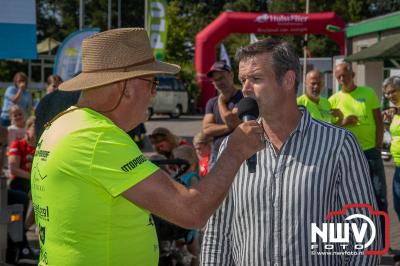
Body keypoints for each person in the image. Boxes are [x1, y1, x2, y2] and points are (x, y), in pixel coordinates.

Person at [30, 28, 264, 266]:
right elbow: (192, 210)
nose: (154, 93)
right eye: (153, 83)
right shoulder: (97, 136)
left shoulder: (64, 123)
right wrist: (235, 150)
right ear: (126, 85)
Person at [201, 38, 381, 265]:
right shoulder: (232, 147)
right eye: (243, 79)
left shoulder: (338, 144)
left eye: (255, 79)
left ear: (287, 80)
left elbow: (362, 234)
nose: (245, 89)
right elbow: (217, 233)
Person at [329, 63, 388, 226]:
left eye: (345, 75)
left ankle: (383, 242)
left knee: (379, 197)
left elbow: (378, 120)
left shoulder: (368, 93)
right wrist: (345, 122)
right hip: (347, 156)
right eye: (339, 76)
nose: (342, 79)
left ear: (353, 74)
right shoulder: (332, 100)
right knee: (352, 199)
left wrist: (377, 145)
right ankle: (360, 240)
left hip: (370, 153)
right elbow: (329, 129)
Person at [202, 60, 243, 166]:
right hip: (217, 154)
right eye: (215, 80)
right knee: (213, 183)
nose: (219, 82)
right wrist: (230, 127)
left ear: (231, 75)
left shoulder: (243, 97)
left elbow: (230, 120)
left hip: (239, 154)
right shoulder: (211, 102)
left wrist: (221, 101)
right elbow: (207, 129)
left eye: (222, 77)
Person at [382, 76, 400, 221]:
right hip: (397, 164)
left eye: (392, 91)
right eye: (387, 94)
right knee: (398, 206)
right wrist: (387, 123)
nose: (389, 96)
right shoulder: (395, 110)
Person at [8, 116, 36, 195]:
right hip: (20, 182)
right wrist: (33, 178)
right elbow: (14, 170)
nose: (38, 129)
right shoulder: (17, 144)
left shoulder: (42, 147)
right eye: (35, 126)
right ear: (27, 129)